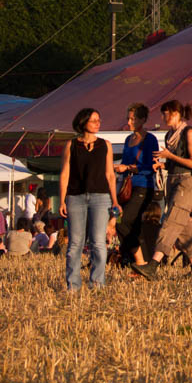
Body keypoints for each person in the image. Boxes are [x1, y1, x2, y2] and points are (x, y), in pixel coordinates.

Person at [137, 99, 192, 280]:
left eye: (164, 113)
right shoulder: (169, 135)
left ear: (174, 113)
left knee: (171, 222)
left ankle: (153, 265)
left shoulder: (188, 132)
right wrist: (163, 164)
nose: (163, 117)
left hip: (186, 182)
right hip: (173, 181)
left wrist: (169, 155)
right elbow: (175, 162)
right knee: (184, 228)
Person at [58, 107, 115, 291]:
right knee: (75, 243)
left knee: (98, 242)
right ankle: (73, 285)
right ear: (83, 123)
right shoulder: (71, 145)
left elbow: (110, 175)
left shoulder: (105, 145)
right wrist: (61, 200)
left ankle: (97, 283)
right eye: (93, 120)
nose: (98, 123)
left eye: (99, 120)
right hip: (76, 197)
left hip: (101, 197)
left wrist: (115, 200)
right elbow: (65, 173)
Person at [112, 103, 158, 271]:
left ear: (143, 120)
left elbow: (150, 166)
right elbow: (125, 163)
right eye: (128, 118)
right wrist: (118, 168)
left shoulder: (150, 139)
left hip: (143, 186)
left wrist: (129, 168)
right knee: (131, 225)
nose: (129, 122)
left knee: (123, 221)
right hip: (127, 186)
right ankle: (140, 263)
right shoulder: (128, 139)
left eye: (133, 119)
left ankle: (139, 261)